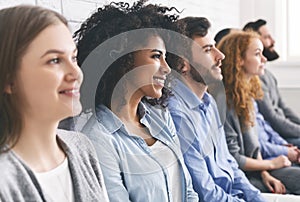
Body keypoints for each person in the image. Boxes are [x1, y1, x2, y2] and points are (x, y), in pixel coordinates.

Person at [74, 1, 198, 201]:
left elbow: (188, 191)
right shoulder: (99, 140)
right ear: (123, 59)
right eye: (156, 56)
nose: (167, 68)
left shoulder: (161, 118)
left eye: (166, 58)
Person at [0, 5, 108, 201]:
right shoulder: (4, 177)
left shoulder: (82, 148)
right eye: (55, 60)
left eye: (73, 58)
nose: (76, 73)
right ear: (8, 79)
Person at [166, 16, 266, 201]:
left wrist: (257, 198)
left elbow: (230, 165)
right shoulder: (177, 114)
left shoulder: (209, 102)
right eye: (207, 50)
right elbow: (206, 193)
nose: (221, 56)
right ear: (182, 64)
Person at [218, 30, 300, 196]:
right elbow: (234, 157)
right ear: (239, 60)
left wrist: (266, 172)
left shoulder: (246, 95)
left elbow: (255, 147)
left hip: (262, 167)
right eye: (257, 54)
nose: (264, 59)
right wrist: (270, 166)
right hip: (249, 171)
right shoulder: (224, 101)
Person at [243, 19, 300, 147]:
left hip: (281, 137)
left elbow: (283, 108)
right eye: (267, 37)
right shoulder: (255, 79)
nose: (273, 41)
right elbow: (272, 118)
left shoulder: (268, 75)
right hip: (279, 136)